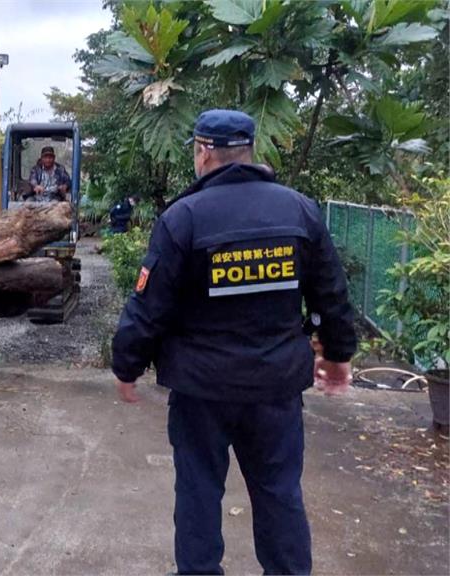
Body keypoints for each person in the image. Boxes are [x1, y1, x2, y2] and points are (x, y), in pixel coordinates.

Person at [111, 109, 357, 575]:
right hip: (275, 390)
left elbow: (150, 304)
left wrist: (127, 365)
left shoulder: (184, 217)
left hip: (201, 392)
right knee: (280, 493)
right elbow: (331, 291)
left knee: (199, 494)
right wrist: (339, 354)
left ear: (204, 153)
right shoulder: (299, 210)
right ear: (249, 151)